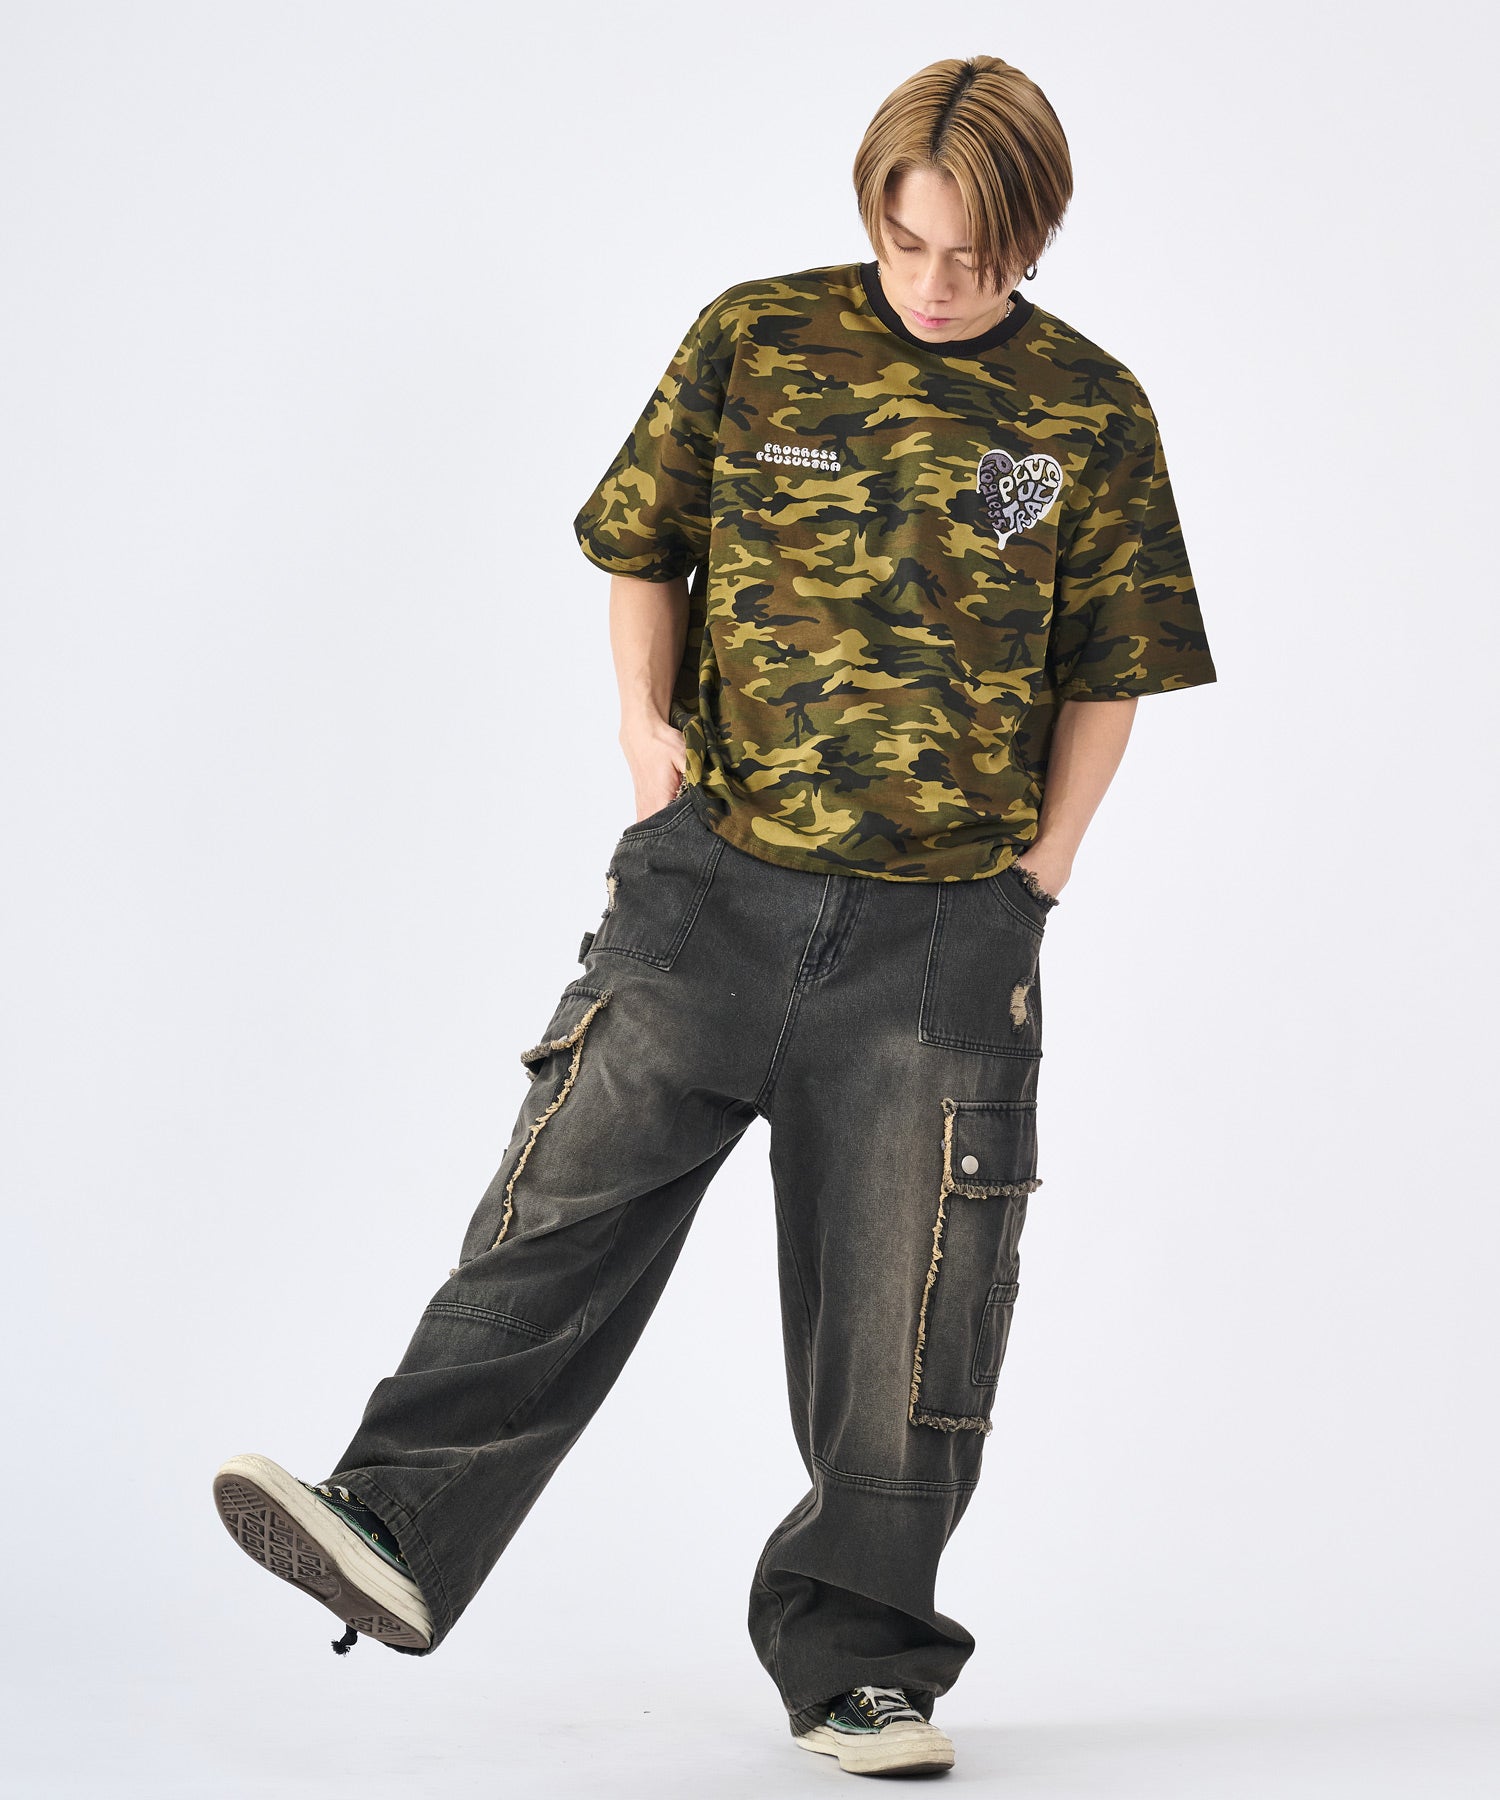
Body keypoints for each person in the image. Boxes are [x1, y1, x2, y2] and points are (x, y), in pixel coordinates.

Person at [213, 51, 1217, 1779]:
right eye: (908, 243)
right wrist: (643, 742)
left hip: (941, 939)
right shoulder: (759, 337)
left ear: (1036, 232)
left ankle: (862, 1670)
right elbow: (642, 541)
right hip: (713, 887)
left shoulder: (1091, 408)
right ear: (873, 214)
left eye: (975, 254)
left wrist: (1043, 873)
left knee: (912, 1323)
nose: (936, 282)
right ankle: (393, 1524)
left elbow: (1112, 668)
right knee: (558, 1210)